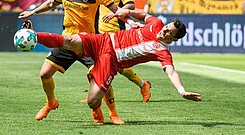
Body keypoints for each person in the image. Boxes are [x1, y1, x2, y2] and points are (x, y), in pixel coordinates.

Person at [22, 8, 202, 123]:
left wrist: (181, 91)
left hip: (111, 61)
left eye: (169, 31)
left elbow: (171, 71)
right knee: (68, 40)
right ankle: (32, 35)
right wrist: (126, 12)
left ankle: (99, 109)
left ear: (175, 38)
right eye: (166, 27)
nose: (164, 30)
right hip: (104, 41)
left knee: (92, 102)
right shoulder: (157, 24)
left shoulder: (163, 52)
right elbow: (143, 14)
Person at [18, 0, 134, 124]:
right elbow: (52, 3)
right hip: (67, 40)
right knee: (44, 73)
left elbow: (117, 10)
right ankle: (51, 102)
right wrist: (32, 12)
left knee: (100, 78)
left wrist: (131, 23)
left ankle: (113, 113)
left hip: (90, 43)